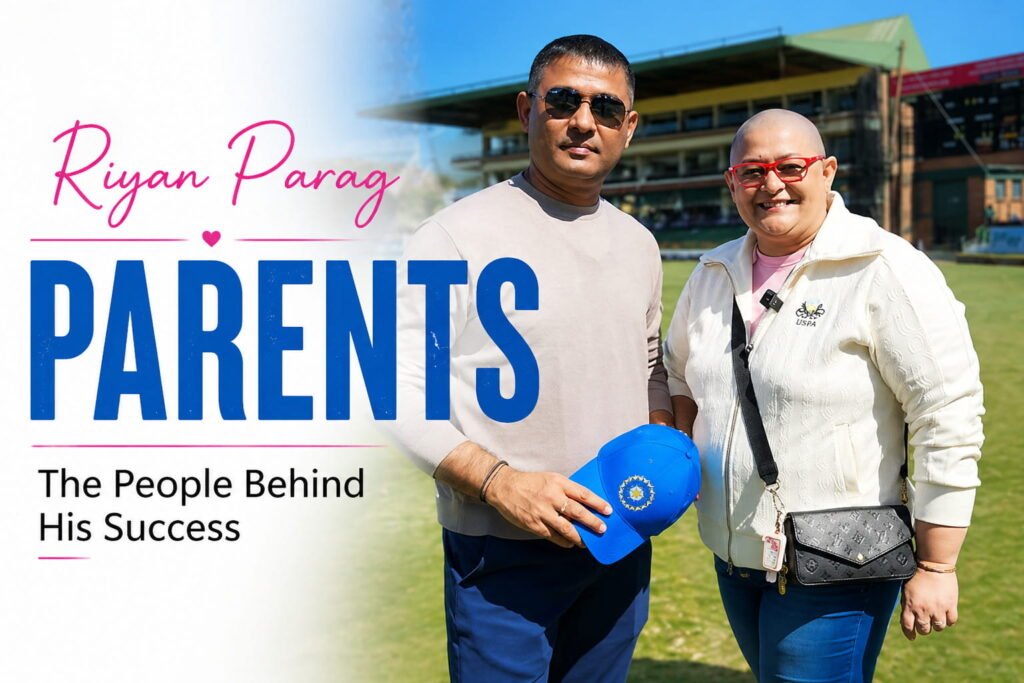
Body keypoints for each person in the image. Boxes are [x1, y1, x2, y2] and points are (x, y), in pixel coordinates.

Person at [663, 109, 984, 682]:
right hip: (734, 554)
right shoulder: (712, 272)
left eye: (791, 166)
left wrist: (938, 564)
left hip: (839, 560)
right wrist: (678, 456)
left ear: (827, 171)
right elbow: (679, 375)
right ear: (732, 183)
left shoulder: (883, 266)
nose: (772, 184)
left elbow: (946, 412)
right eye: (752, 171)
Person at [391, 35, 673, 682]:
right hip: (501, 554)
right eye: (564, 101)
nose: (584, 121)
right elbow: (395, 387)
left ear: (629, 127)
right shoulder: (451, 237)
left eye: (606, 108)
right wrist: (500, 482)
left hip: (618, 542)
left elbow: (648, 362)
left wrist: (661, 441)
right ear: (527, 110)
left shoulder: (640, 243)